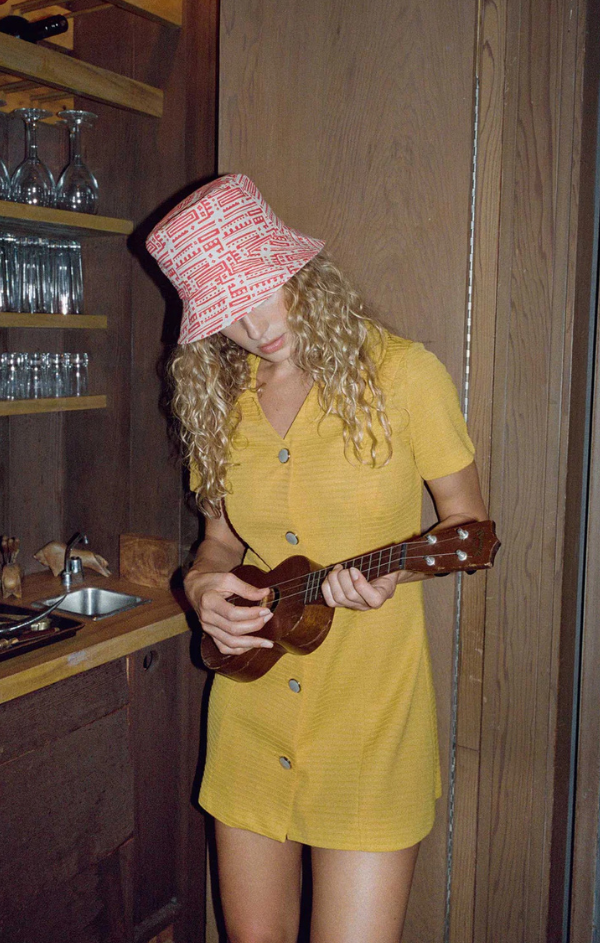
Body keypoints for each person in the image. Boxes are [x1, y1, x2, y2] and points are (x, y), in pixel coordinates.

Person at [146, 174, 488, 943]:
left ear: (296, 266)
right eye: (228, 311)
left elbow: (468, 523)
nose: (254, 325)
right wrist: (201, 584)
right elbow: (219, 539)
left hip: (370, 718)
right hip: (251, 705)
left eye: (262, 291)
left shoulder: (404, 373)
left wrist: (404, 569)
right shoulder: (221, 400)